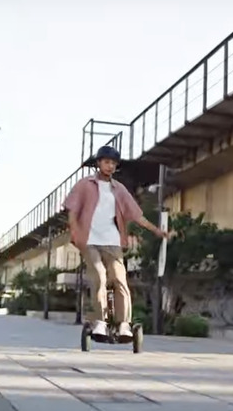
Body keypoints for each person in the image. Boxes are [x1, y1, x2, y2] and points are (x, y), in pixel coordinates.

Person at [63, 145, 168, 342]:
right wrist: (76, 234)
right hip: (90, 241)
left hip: (112, 241)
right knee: (100, 277)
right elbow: (72, 212)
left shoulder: (118, 189)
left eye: (113, 163)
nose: (110, 166)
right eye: (106, 162)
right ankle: (101, 321)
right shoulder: (85, 185)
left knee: (120, 280)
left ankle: (123, 325)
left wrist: (157, 231)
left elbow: (137, 216)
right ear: (99, 163)